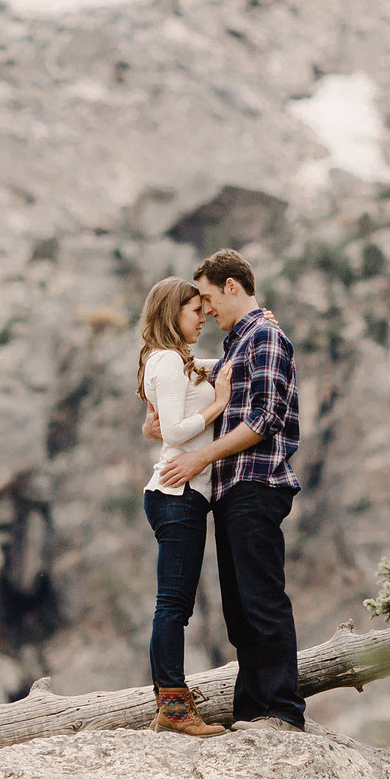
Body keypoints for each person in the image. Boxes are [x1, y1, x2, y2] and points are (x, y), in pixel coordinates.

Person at [154, 248, 309, 732]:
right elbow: (173, 369)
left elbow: (266, 419)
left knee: (262, 599)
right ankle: (251, 709)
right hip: (231, 488)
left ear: (232, 287)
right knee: (240, 608)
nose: (204, 310)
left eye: (207, 298)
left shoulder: (264, 337)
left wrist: (199, 457)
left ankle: (281, 709)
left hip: (256, 483)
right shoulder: (239, 344)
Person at [137, 276, 233, 737]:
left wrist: (258, 328)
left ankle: (169, 704)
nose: (203, 318)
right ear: (174, 312)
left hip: (178, 495)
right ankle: (174, 709)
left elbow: (221, 364)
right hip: (178, 494)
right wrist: (221, 404)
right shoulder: (170, 361)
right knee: (173, 606)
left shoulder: (176, 361)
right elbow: (174, 431)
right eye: (196, 311)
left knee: (173, 605)